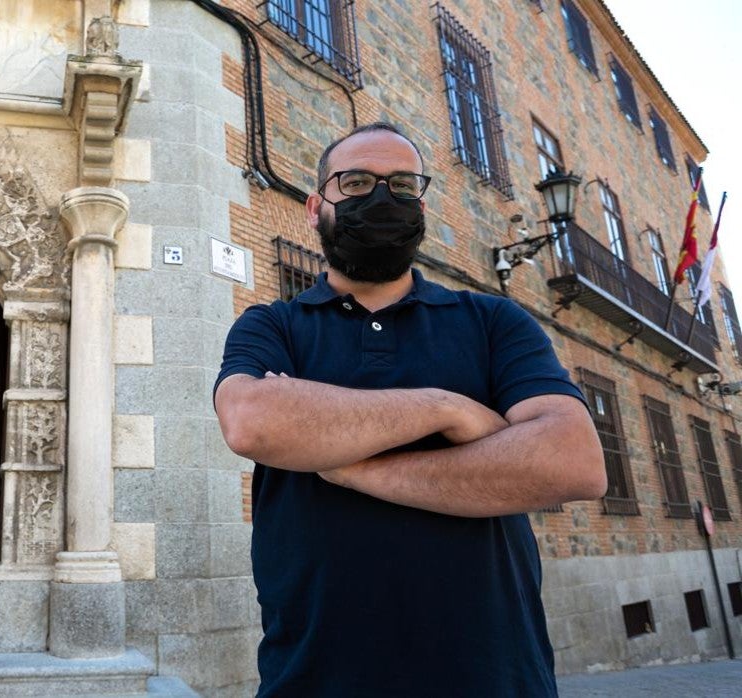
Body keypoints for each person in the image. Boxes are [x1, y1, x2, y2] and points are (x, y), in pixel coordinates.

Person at [213, 122, 606, 697]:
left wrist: (352, 466)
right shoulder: (272, 326)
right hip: (316, 680)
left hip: (495, 679)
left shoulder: (495, 322)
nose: (380, 198)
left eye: (401, 185)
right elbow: (252, 421)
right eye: (356, 182)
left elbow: (573, 462)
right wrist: (446, 409)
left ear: (421, 204)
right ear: (315, 206)